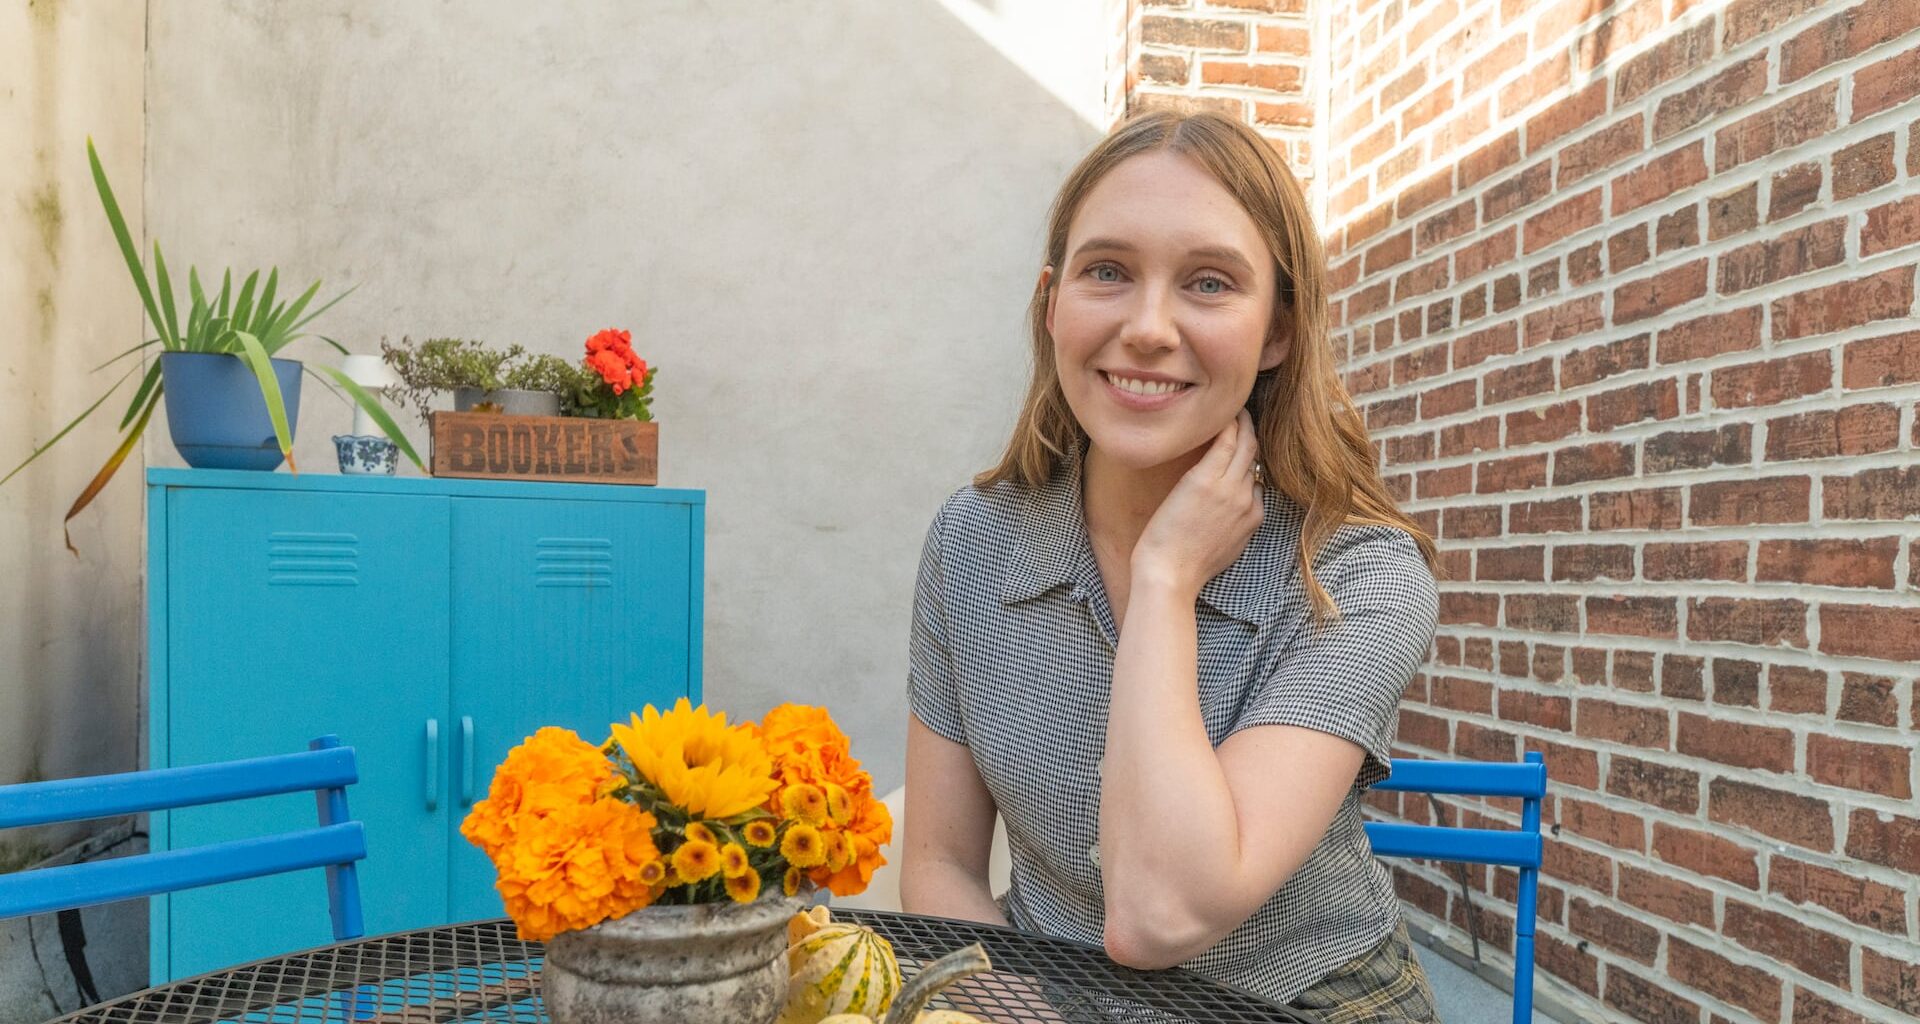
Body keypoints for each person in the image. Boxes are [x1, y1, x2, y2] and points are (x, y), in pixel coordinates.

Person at [900, 110, 1445, 1022]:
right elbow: (940, 863)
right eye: (1107, 271)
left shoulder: (1360, 577)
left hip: (1303, 1004)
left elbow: (1160, 916)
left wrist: (1165, 582)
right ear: (1052, 303)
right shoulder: (973, 542)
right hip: (1037, 998)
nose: (1148, 328)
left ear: (1278, 330)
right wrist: (1010, 1008)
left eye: (1209, 283)